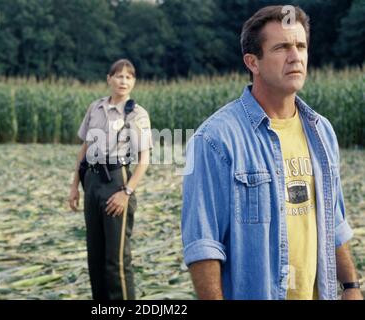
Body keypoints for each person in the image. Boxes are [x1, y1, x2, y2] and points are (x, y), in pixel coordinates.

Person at [181, 5, 363, 300]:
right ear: (252, 62)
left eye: (301, 46)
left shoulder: (322, 131)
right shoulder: (215, 139)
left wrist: (351, 286)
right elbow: (204, 243)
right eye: (282, 47)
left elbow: (333, 219)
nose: (295, 56)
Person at [68, 59, 152, 300]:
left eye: (128, 77)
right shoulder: (95, 108)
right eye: (118, 76)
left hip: (117, 180)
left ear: (133, 82)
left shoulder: (137, 114)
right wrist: (74, 186)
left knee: (116, 260)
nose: (123, 81)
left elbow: (143, 159)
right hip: (92, 182)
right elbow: (83, 149)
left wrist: (126, 193)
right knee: (95, 256)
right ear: (109, 79)